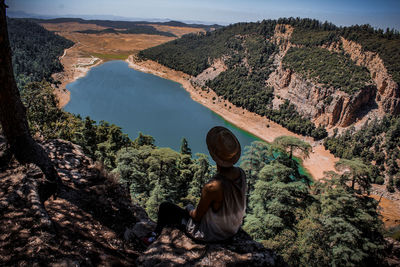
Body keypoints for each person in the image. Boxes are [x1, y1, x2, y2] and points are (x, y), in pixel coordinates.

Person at [146, 126, 246, 244]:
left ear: (213, 154)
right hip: (232, 229)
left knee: (165, 207)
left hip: (212, 234)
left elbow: (197, 216)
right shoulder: (241, 173)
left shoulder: (212, 187)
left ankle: (153, 237)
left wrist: (189, 208)